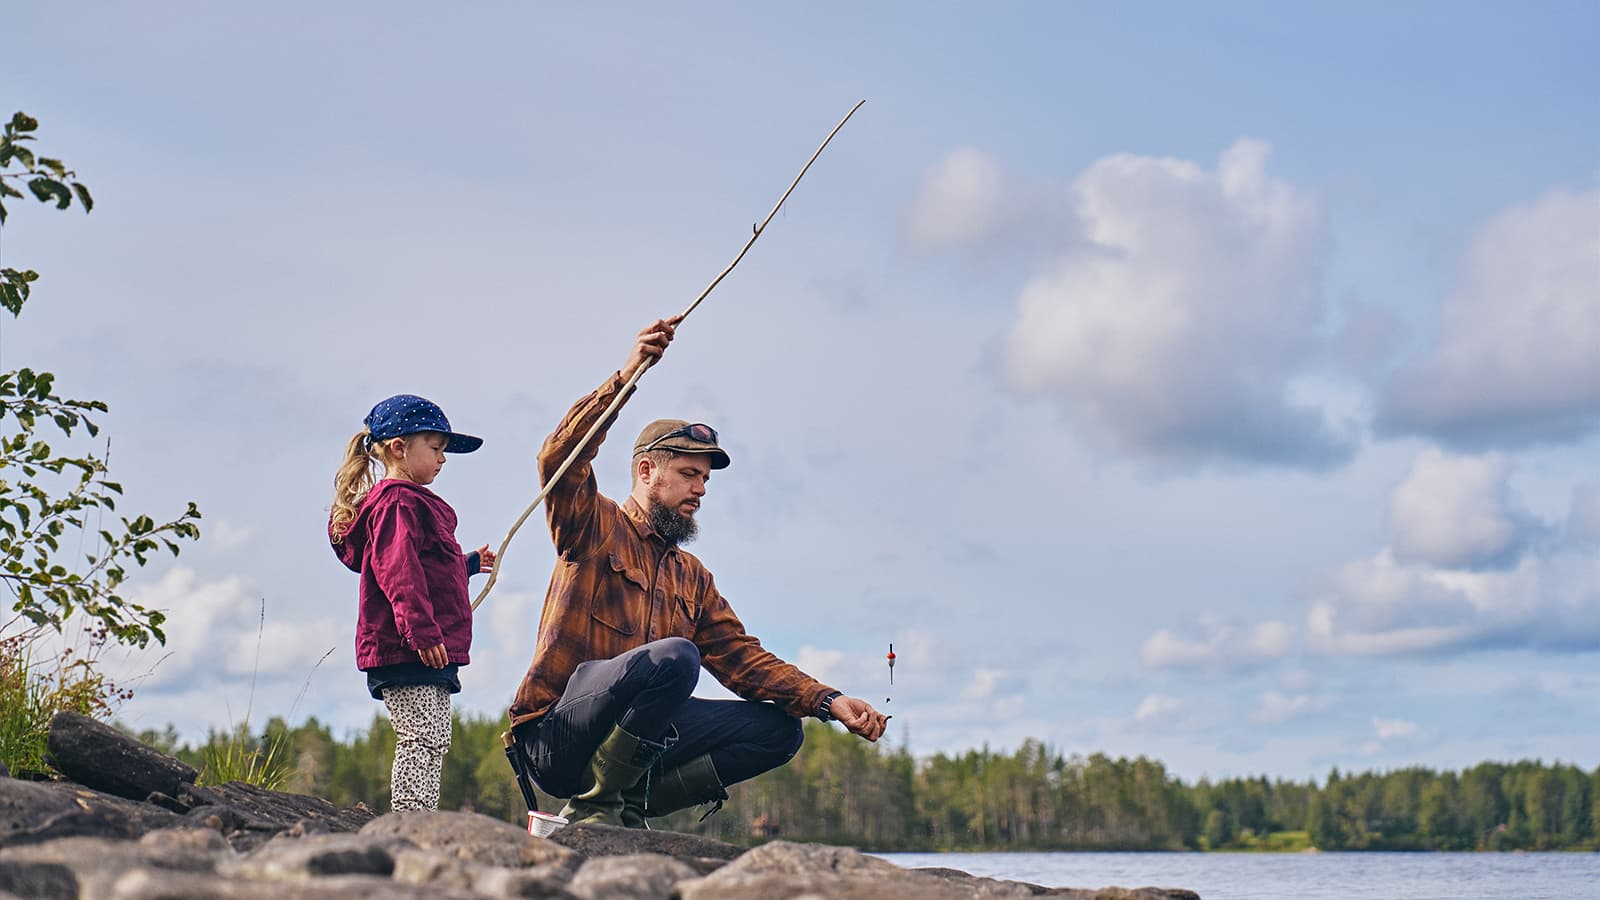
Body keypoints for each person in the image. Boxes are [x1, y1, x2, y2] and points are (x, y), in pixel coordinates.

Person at [508, 316, 889, 828]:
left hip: (631, 748)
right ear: (647, 471)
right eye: (689, 474)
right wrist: (625, 377)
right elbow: (560, 458)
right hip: (557, 738)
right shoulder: (594, 526)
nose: (701, 490)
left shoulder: (693, 577)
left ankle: (629, 808)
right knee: (675, 658)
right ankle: (596, 809)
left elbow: (743, 660)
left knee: (781, 730)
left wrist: (829, 700)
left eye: (705, 479)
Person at [329, 394, 496, 812]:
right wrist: (419, 631)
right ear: (400, 448)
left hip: (423, 648)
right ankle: (412, 819)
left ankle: (420, 815)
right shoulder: (398, 502)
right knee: (421, 734)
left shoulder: (406, 503)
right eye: (435, 448)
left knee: (434, 735)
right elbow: (397, 568)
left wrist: (470, 564)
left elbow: (427, 566)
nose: (443, 459)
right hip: (410, 647)